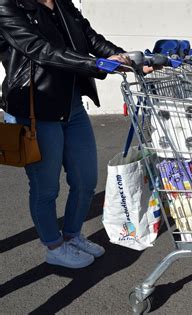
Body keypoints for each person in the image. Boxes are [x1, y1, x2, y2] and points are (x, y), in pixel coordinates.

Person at [0, 0, 138, 269]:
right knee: (46, 187)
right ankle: (53, 246)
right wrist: (96, 64)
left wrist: (125, 59)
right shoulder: (8, 5)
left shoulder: (62, 3)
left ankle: (72, 236)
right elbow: (41, 50)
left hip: (72, 106)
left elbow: (90, 38)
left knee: (86, 179)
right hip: (36, 110)